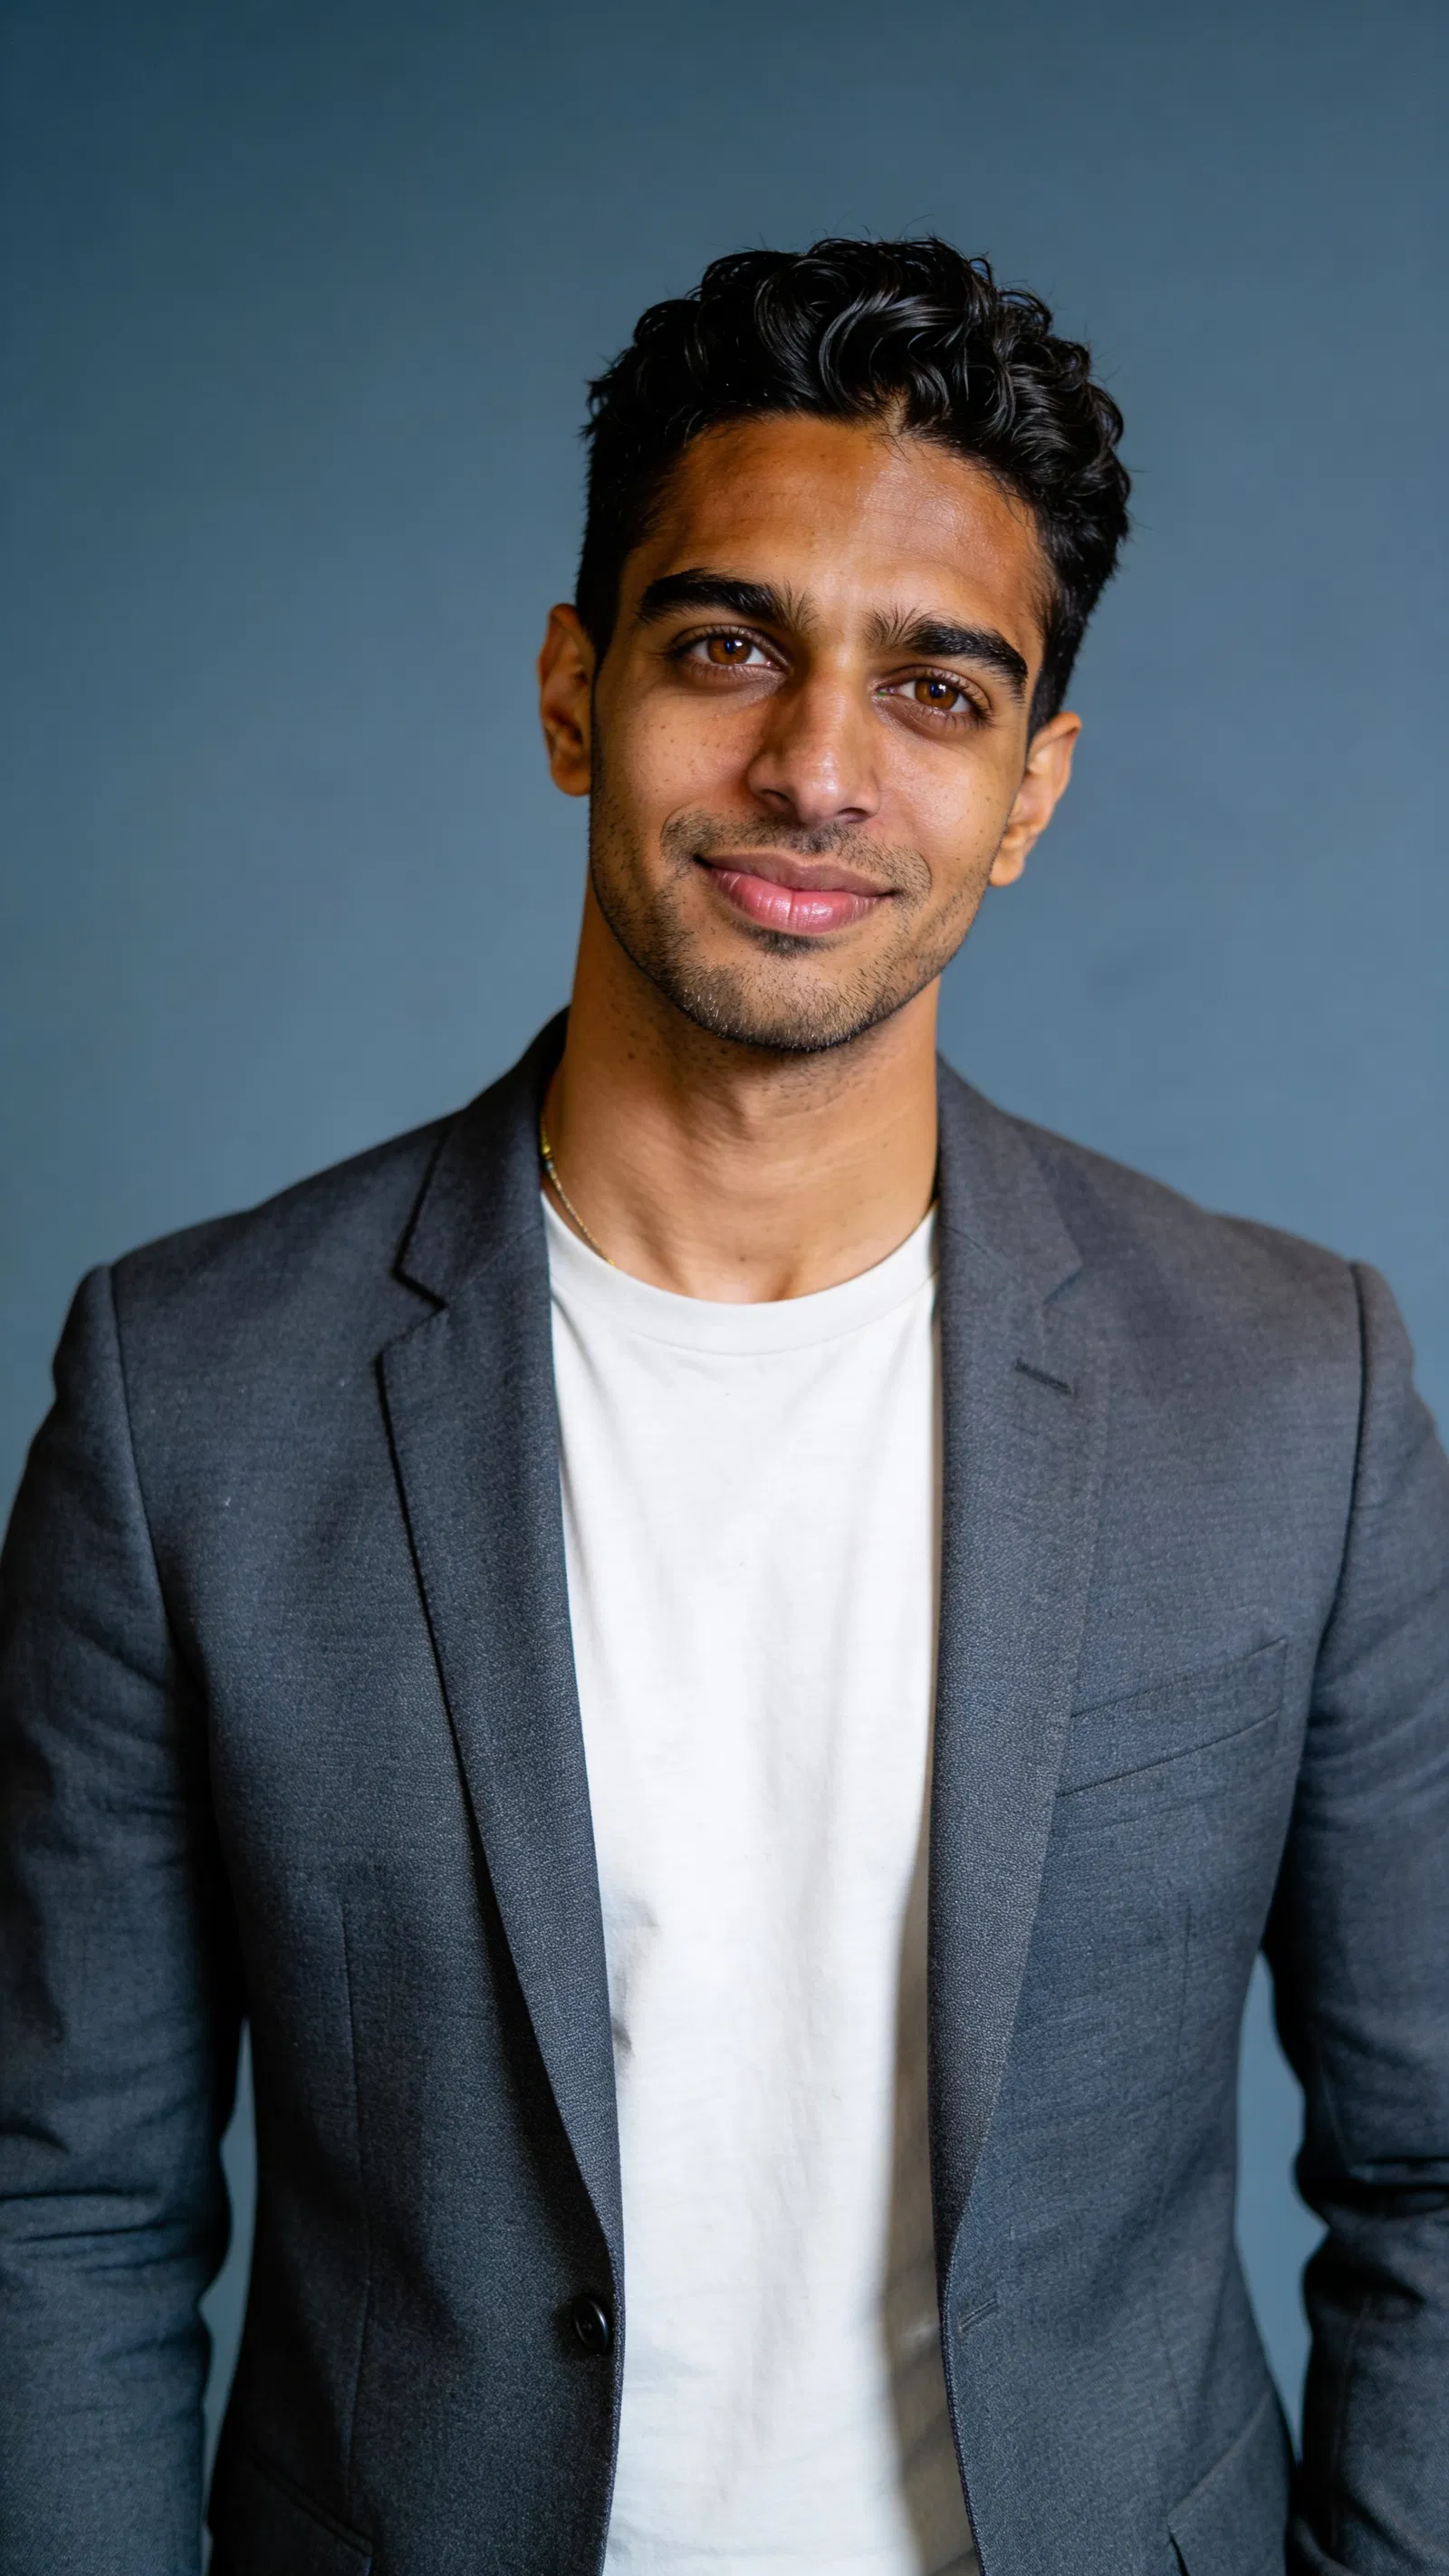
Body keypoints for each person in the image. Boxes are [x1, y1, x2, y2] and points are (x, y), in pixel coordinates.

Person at [1, 236, 1445, 2576]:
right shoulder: (191, 1398)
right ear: (575, 689)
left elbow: (1436, 2169)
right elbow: (55, 2209)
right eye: (724, 645)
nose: (815, 768)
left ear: (1034, 788)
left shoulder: (1300, 1390)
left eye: (937, 691)